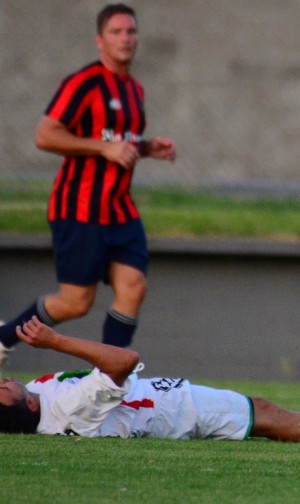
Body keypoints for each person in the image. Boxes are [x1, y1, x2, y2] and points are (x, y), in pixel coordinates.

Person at [0, 3, 177, 369]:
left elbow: (119, 142)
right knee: (75, 303)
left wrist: (145, 148)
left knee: (134, 287)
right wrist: (103, 147)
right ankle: (3, 339)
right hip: (79, 208)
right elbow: (45, 135)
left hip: (119, 209)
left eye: (131, 31)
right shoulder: (84, 83)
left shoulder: (134, 90)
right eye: (116, 32)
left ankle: (110, 376)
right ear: (100, 40)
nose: (126, 39)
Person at [0, 317, 300, 446]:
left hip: (166, 401)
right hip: (179, 413)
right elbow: (123, 360)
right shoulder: (65, 409)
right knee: (265, 414)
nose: (3, 382)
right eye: (2, 391)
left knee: (262, 411)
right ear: (27, 407)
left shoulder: (36, 397)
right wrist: (55, 340)